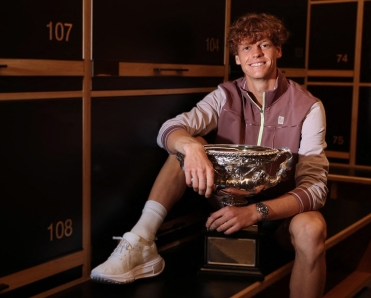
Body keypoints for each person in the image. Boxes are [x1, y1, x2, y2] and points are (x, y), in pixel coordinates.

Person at [91, 12, 329, 298]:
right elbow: (171, 128)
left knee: (312, 228)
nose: (256, 53)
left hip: (279, 212)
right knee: (188, 144)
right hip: (224, 201)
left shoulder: (308, 106)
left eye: (264, 45)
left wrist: (255, 212)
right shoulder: (225, 96)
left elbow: (316, 188)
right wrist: (192, 148)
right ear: (237, 58)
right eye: (246, 48)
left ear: (278, 50)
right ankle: (142, 240)